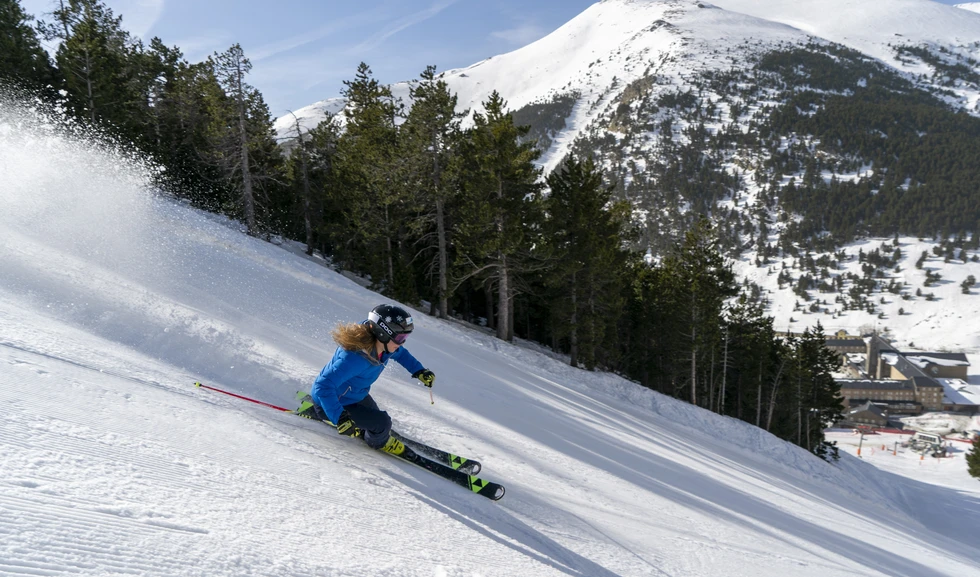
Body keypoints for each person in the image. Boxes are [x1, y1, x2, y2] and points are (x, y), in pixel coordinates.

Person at [298, 304, 436, 455]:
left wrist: (419, 370)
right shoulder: (354, 358)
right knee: (383, 422)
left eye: (405, 338)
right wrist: (340, 417)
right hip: (334, 401)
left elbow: (401, 354)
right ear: (382, 334)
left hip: (355, 396)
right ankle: (378, 441)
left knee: (377, 420)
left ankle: (369, 431)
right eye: (400, 338)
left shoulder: (383, 347)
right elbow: (323, 385)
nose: (402, 342)